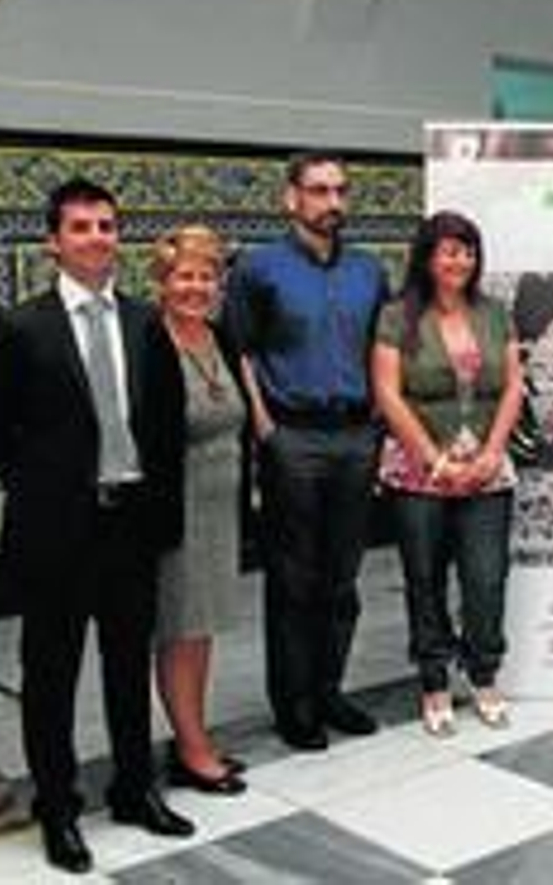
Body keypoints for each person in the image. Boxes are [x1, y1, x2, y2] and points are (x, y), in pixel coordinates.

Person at [0, 178, 194, 874]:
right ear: (54, 242)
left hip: (131, 524)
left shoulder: (144, 322)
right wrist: (42, 486)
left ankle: (134, 788)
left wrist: (159, 513)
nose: (97, 237)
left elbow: (165, 424)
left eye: (106, 225)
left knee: (128, 664)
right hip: (57, 530)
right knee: (51, 673)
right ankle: (58, 807)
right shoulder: (20, 328)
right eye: (82, 227)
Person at [224, 152, 389, 751]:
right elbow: (240, 349)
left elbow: (383, 348)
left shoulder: (370, 270)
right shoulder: (258, 268)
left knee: (342, 577)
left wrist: (378, 424)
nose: (333, 202)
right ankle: (293, 704)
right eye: (319, 190)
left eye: (340, 190)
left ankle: (329, 690)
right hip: (291, 436)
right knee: (294, 578)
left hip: (355, 436)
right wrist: (264, 425)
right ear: (291, 198)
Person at [372, 210, 524, 737]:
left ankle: (483, 674)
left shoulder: (496, 313)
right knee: (425, 578)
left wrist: (492, 452)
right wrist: (435, 461)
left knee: (486, 579)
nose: (461, 260)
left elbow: (513, 386)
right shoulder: (397, 316)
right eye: (450, 251)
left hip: (487, 471)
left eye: (468, 251)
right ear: (428, 257)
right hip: (419, 473)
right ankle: (434, 680)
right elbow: (387, 392)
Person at [148, 225, 249, 796]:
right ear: (162, 282)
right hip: (176, 512)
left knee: (201, 629)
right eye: (184, 276)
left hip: (220, 509)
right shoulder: (149, 341)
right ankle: (190, 750)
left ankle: (196, 734)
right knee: (180, 631)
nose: (196, 287)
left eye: (206, 277)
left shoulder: (218, 336)